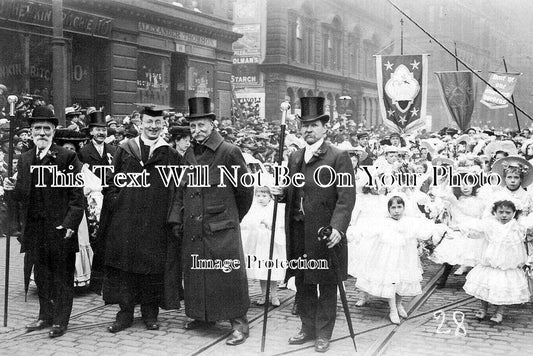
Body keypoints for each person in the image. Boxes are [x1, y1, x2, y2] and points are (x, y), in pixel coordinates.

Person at [271, 97, 356, 353]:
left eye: (314, 125)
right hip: (298, 231)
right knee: (304, 281)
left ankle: (323, 333)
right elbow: (293, 190)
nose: (308, 129)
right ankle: (307, 328)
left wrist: (338, 229)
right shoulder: (295, 157)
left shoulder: (338, 157)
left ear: (324, 128)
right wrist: (280, 192)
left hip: (324, 233)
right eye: (304, 125)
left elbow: (346, 198)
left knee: (326, 284)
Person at [168, 97, 254, 346]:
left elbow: (245, 191)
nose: (197, 131)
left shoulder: (229, 152)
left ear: (213, 124)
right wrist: (177, 220)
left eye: (202, 125)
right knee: (198, 273)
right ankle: (202, 316)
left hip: (221, 229)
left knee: (227, 275)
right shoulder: (189, 154)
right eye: (193, 127)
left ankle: (239, 324)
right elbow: (180, 189)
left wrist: (231, 218)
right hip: (194, 228)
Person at [3, 106, 85, 337]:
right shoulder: (26, 158)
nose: (41, 132)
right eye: (37, 128)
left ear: (53, 130)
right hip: (35, 228)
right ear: (30, 131)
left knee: (61, 275)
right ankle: (44, 316)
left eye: (46, 128)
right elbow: (21, 194)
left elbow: (77, 197)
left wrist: (70, 223)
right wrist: (11, 189)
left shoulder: (66, 156)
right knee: (41, 275)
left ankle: (60, 320)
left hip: (59, 228)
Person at [100, 105, 181, 333]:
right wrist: (117, 202)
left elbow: (176, 189)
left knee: (152, 268)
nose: (153, 127)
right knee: (126, 268)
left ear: (163, 124)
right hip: (127, 220)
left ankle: (150, 314)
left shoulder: (171, 154)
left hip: (157, 221)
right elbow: (112, 181)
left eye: (157, 123)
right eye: (149, 122)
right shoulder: (125, 150)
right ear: (140, 123)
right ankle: (125, 314)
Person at [353, 195, 448, 324]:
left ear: (404, 208)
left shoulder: (409, 221)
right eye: (393, 208)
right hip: (389, 257)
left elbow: (423, 232)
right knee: (391, 280)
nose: (396, 211)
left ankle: (399, 304)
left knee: (402, 280)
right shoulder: (384, 222)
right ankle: (392, 309)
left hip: (405, 257)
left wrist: (439, 228)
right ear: (388, 209)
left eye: (399, 207)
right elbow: (369, 231)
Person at [458, 199, 532, 324]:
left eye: (508, 212)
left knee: (502, 288)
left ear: (513, 213)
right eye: (501, 212)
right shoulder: (490, 226)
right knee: (485, 286)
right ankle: (483, 308)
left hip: (506, 266)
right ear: (495, 213)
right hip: (490, 264)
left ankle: (499, 311)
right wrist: (466, 230)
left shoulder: (516, 228)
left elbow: (520, 244)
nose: (504, 215)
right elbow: (477, 232)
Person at [78, 110, 116, 294]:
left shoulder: (113, 150)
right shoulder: (83, 152)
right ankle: (94, 281)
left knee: (108, 238)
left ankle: (106, 280)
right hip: (90, 202)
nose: (101, 133)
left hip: (108, 200)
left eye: (104, 129)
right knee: (94, 239)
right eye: (98, 130)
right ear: (91, 132)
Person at [240, 185, 286, 307]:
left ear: (270, 196)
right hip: (260, 244)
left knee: (273, 269)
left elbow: (280, 223)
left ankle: (274, 295)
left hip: (272, 243)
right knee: (262, 270)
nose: (261, 199)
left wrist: (270, 224)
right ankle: (263, 295)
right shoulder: (254, 209)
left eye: (264, 196)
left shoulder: (275, 207)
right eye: (258, 196)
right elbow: (247, 223)